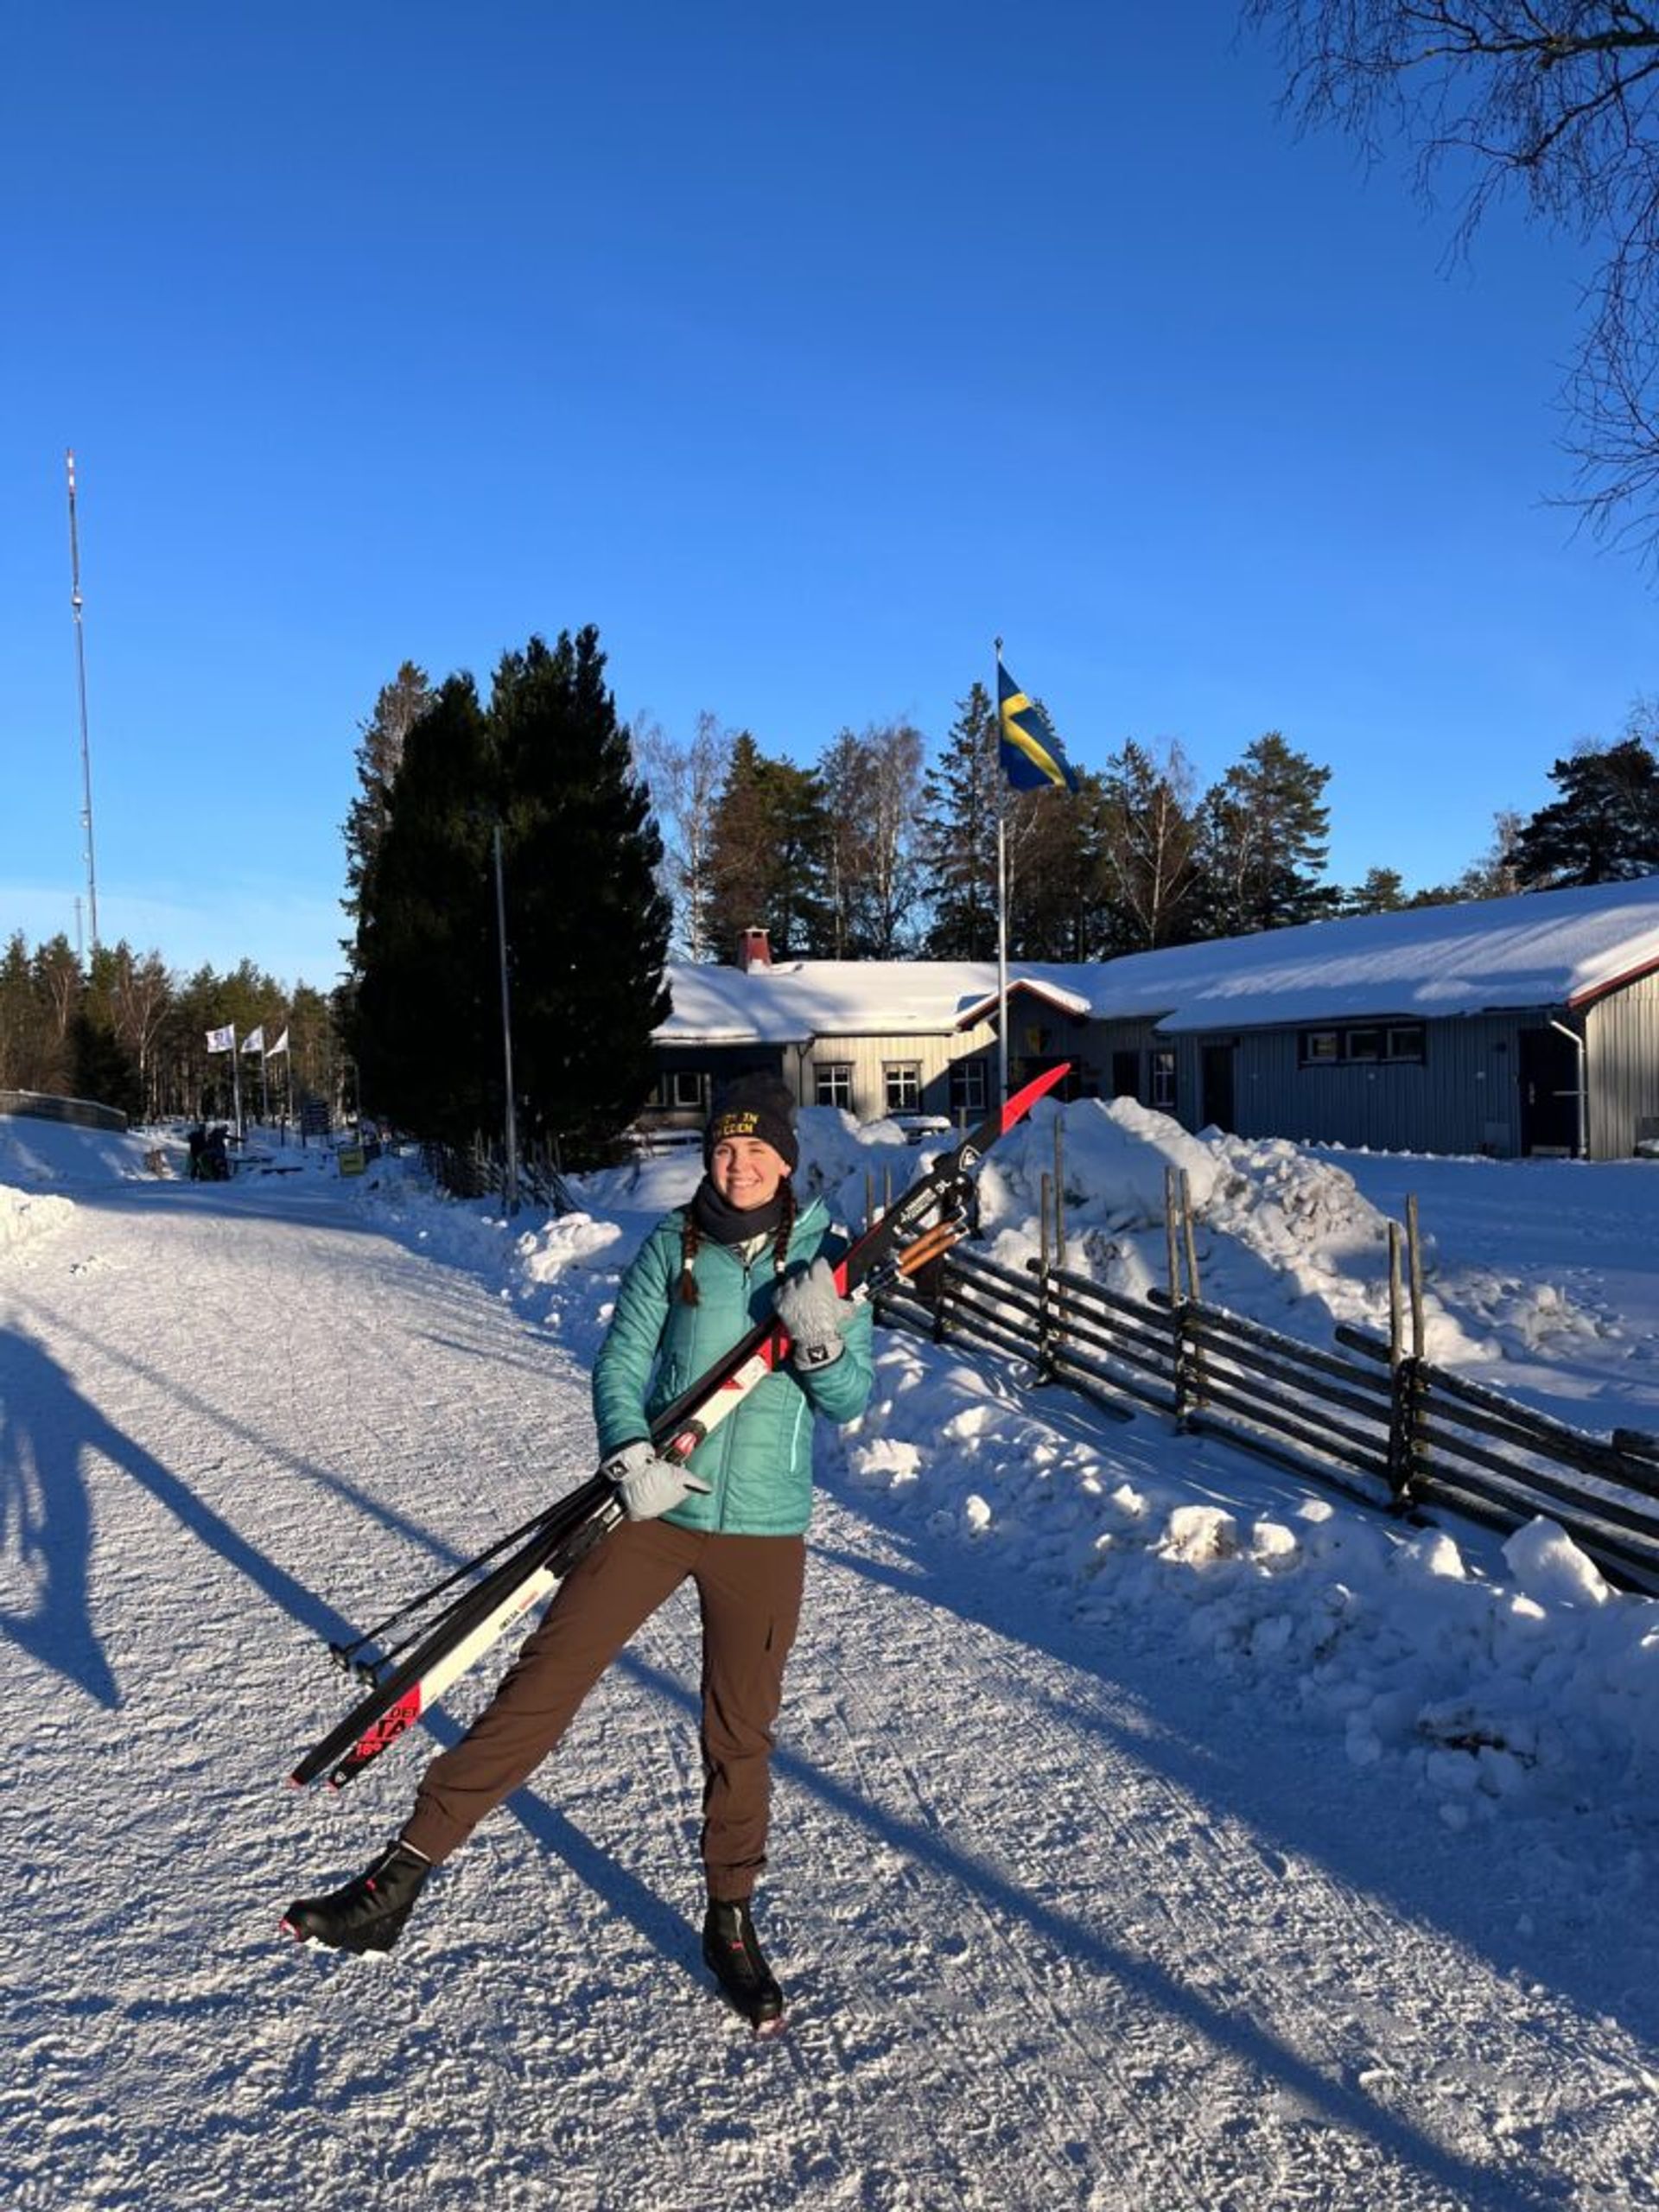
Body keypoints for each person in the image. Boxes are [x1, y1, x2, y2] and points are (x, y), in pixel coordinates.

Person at [283, 1072, 874, 2028]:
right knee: (540, 1684)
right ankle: (400, 1876)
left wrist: (821, 1343)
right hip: (652, 1510)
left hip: (764, 1531)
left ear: (786, 1159)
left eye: (758, 1150)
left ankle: (729, 1916)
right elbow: (619, 1364)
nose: (740, 1164)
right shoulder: (670, 1245)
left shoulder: (828, 1262)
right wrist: (627, 1451)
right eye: (725, 1149)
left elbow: (850, 1402)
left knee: (739, 1731)